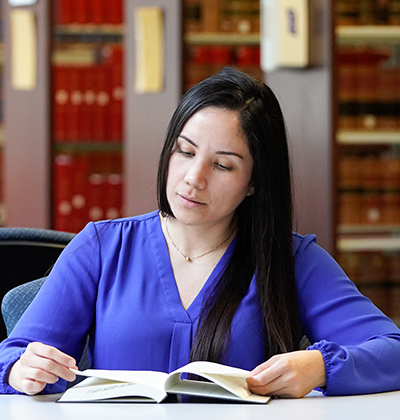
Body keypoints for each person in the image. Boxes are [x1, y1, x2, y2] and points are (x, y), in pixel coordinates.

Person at [1, 67, 400, 398]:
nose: (193, 179)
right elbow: (13, 357)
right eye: (185, 152)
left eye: (223, 166)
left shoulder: (290, 259)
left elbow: (392, 351)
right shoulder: (102, 247)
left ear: (255, 182)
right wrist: (22, 371)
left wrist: (320, 366)